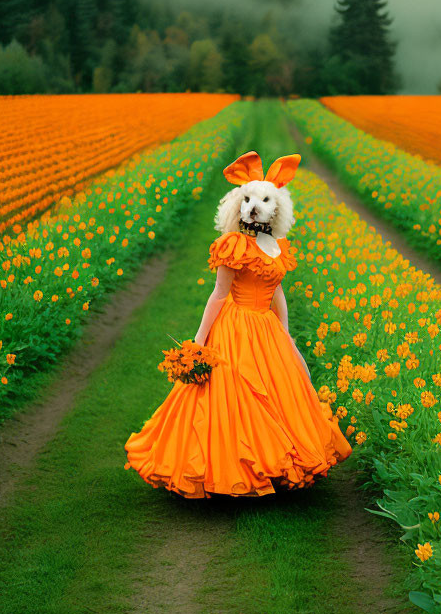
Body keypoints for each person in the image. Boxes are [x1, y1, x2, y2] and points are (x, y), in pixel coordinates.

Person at [124, 150, 352, 498]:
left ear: (276, 208)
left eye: (262, 200)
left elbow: (277, 291)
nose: (253, 206)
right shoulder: (233, 245)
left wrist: (286, 332)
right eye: (247, 199)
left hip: (267, 328)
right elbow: (218, 295)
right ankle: (231, 473)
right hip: (235, 326)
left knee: (281, 396)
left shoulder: (277, 246)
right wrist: (200, 340)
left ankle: (276, 467)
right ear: (238, 204)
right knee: (232, 399)